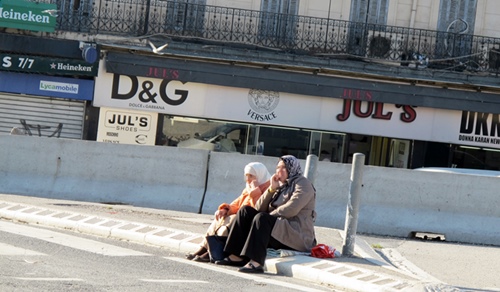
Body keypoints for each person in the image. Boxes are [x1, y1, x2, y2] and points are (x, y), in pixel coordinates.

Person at [215, 155, 317, 274]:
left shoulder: (303, 184)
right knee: (245, 211)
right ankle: (236, 256)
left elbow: (291, 209)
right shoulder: (280, 185)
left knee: (262, 218)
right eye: (278, 167)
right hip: (278, 230)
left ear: (292, 168)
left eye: (284, 167)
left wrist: (269, 217)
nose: (279, 171)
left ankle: (256, 262)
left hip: (295, 234)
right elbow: (258, 207)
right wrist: (271, 190)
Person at [185, 162, 271, 262]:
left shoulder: (266, 189)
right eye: (246, 176)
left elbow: (258, 208)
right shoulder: (248, 188)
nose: (248, 179)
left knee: (231, 221)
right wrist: (225, 210)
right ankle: (205, 248)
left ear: (259, 175)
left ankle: (212, 251)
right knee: (219, 219)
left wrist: (255, 191)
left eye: (251, 176)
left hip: (249, 221)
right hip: (241, 216)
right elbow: (238, 203)